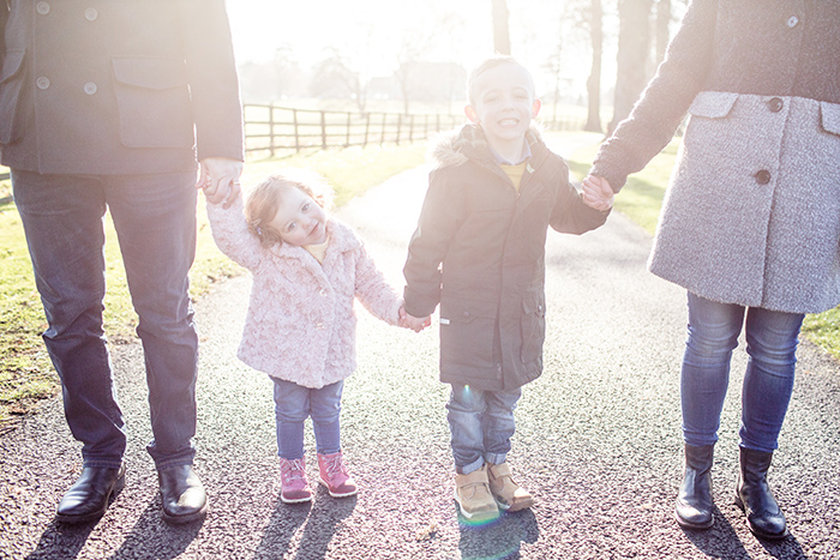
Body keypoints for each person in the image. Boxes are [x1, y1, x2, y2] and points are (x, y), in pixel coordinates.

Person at [583, 0, 840, 540]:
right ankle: (696, 473)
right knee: (709, 339)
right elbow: (674, 77)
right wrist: (615, 163)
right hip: (719, 177)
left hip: (811, 187)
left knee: (776, 348)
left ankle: (755, 481)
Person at [1, 1, 244, 524]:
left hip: (151, 134)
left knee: (165, 310)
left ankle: (177, 457)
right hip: (41, 137)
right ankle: (100, 458)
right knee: (68, 315)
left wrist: (221, 142)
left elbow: (204, 26)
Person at [402, 56, 613, 521]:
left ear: (535, 106)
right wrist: (418, 301)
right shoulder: (454, 173)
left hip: (520, 309)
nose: (507, 105)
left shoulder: (549, 168)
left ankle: (498, 464)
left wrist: (595, 208)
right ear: (472, 112)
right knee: (468, 399)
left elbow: (568, 217)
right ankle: (470, 473)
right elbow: (427, 242)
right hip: (469, 310)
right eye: (492, 97)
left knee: (506, 397)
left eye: (518, 95)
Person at [203, 170, 428, 504]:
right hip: (286, 351)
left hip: (331, 350)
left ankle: (331, 465)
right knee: (290, 410)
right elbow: (232, 238)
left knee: (328, 410)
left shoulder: (347, 244)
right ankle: (292, 470)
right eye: (290, 225)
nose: (306, 223)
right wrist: (224, 200)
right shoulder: (267, 254)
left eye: (306, 208)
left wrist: (399, 311)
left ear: (315, 197)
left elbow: (370, 285)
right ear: (273, 234)